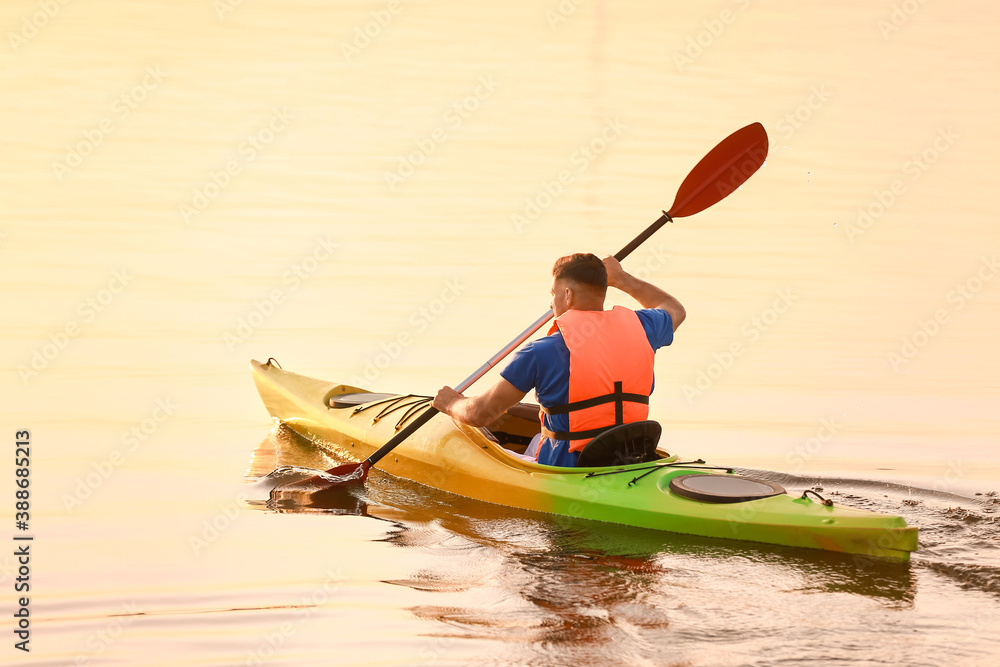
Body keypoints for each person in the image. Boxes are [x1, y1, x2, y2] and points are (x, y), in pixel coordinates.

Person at [432, 253, 684, 467]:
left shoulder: (540, 351)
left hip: (569, 466)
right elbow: (674, 309)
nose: (551, 303)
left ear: (567, 294)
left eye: (552, 295)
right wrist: (622, 279)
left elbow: (481, 414)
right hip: (632, 459)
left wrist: (452, 403)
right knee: (534, 437)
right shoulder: (643, 328)